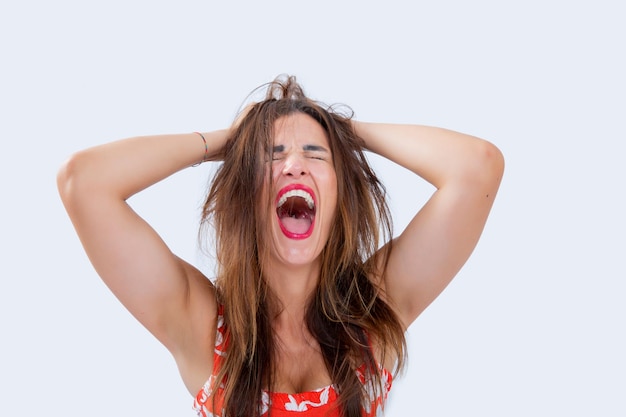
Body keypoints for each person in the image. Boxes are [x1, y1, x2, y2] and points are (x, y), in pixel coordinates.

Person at [57, 75, 504, 417]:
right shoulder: (199, 323)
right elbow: (84, 182)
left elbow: (477, 167)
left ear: (338, 194)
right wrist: (230, 142)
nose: (294, 165)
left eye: (315, 153)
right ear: (246, 194)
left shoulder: (375, 310)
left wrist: (343, 131)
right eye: (271, 155)